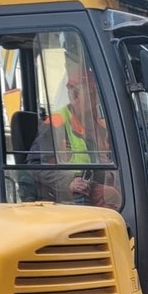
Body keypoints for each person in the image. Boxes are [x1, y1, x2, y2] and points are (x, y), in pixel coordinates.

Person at [20, 65, 122, 210]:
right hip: (63, 193)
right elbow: (35, 165)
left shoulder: (100, 126)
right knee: (112, 196)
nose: (97, 100)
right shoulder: (56, 123)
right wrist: (68, 182)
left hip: (89, 185)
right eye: (92, 94)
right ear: (75, 96)